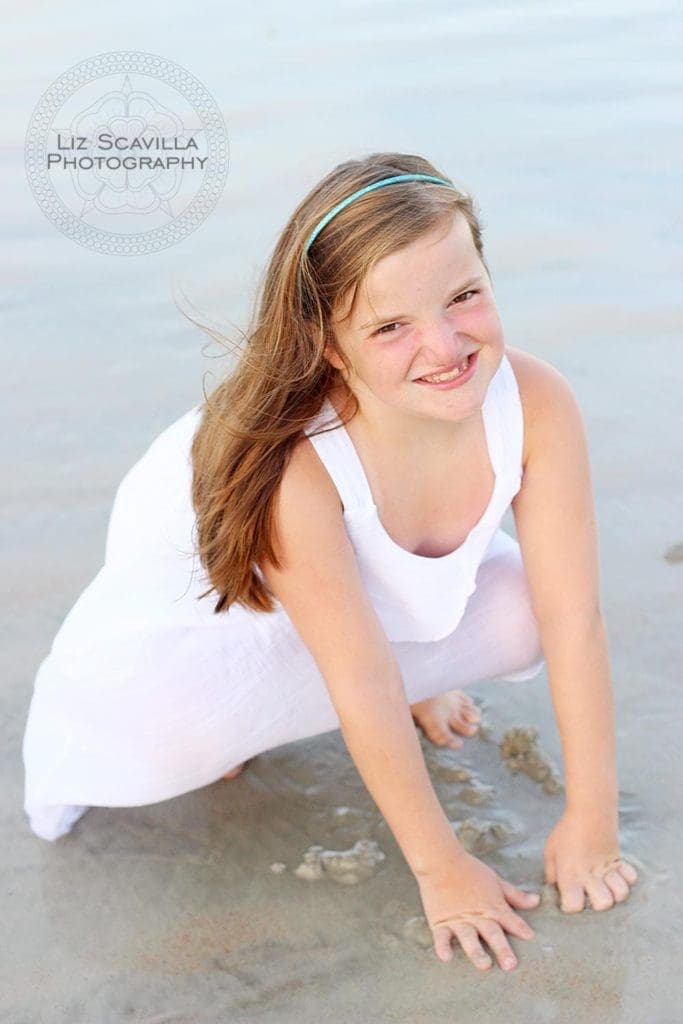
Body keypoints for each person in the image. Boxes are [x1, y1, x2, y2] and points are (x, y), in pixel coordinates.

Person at [22, 152, 638, 972]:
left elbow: (574, 616)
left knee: (530, 610)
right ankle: (246, 703)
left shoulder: (537, 400)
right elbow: (360, 679)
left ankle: (420, 666)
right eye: (390, 327)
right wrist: (441, 867)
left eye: (464, 296)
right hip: (218, 613)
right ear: (328, 345)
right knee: (181, 743)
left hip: (355, 594)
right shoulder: (294, 466)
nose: (446, 345)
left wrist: (590, 816)